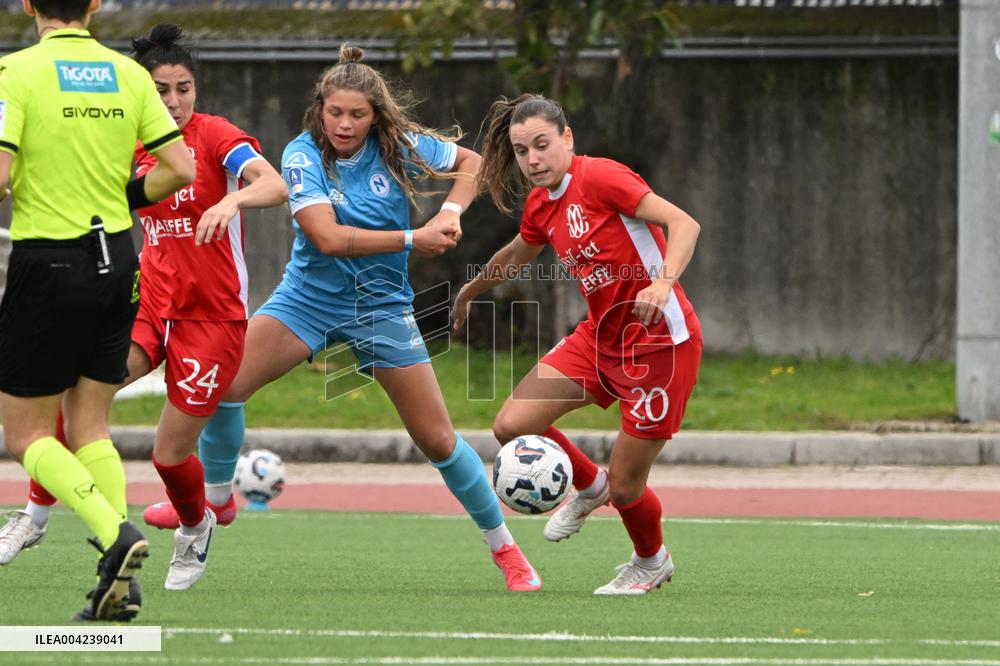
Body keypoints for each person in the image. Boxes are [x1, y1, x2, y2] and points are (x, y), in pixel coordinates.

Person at [187, 45, 542, 592]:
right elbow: (327, 239)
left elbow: (471, 164)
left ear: (375, 114)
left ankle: (508, 553)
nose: (345, 124)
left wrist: (449, 211)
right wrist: (414, 237)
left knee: (439, 440)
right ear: (319, 109)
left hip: (381, 307)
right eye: (335, 113)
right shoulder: (302, 155)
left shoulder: (398, 147)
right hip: (305, 300)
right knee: (221, 389)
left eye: (357, 114)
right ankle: (214, 505)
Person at [0, 23, 288, 594]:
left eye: (184, 88)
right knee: (75, 402)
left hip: (212, 319)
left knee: (167, 454)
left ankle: (194, 524)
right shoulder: (133, 142)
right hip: (147, 304)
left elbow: (274, 185)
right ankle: (33, 516)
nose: (175, 101)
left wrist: (232, 198)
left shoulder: (215, 137)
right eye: (162, 90)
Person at [454, 93, 703, 595]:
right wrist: (471, 290)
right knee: (513, 424)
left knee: (630, 484)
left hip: (658, 347)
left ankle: (651, 561)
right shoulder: (542, 202)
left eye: (542, 145)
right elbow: (518, 254)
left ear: (568, 139)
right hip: (599, 336)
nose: (533, 160)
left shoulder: (603, 177)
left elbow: (684, 224)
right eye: (522, 151)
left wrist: (661, 282)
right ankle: (590, 486)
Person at [0, 0, 195, 620]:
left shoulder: (17, 72)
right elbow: (180, 169)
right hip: (119, 262)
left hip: (48, 263)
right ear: (95, 5)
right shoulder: (130, 74)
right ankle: (121, 583)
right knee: (89, 426)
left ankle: (116, 538)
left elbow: (1, 176)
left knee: (28, 432)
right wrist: (122, 194)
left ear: (29, 5)